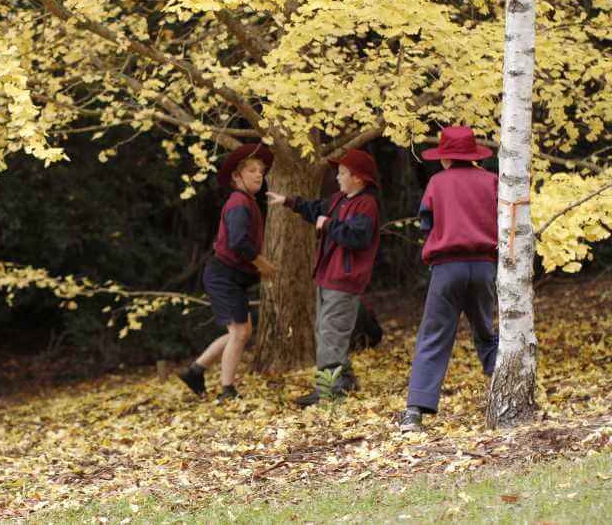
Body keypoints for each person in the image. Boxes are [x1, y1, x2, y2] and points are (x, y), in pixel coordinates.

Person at [399, 126, 499, 432]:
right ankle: (503, 391)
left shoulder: (437, 183)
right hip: (484, 267)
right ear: (472, 156)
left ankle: (415, 410)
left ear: (445, 158)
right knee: (486, 332)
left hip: (447, 268)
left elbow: (425, 224)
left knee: (434, 336)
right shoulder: (491, 181)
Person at [268, 149, 381, 407]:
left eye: (342, 173)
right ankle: (346, 380)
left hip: (344, 278)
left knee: (331, 333)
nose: (338, 177)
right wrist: (288, 201)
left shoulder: (366, 204)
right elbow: (315, 208)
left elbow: (358, 238)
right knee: (327, 331)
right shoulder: (339, 199)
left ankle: (328, 391)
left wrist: (328, 225)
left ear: (359, 178)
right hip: (328, 276)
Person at [178, 144, 275, 401]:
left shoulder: (248, 202)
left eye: (261, 171)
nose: (258, 175)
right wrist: (261, 263)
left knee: (241, 332)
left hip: (231, 277)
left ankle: (195, 371)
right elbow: (238, 242)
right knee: (240, 332)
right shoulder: (238, 203)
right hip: (223, 276)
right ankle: (227, 391)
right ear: (236, 176)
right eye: (252, 170)